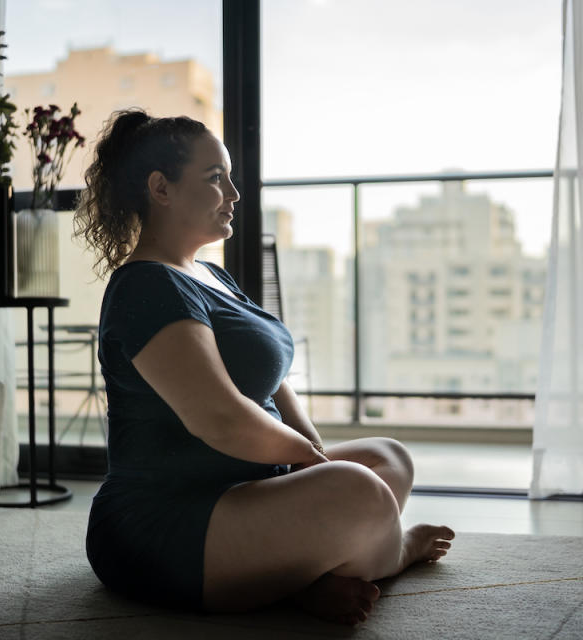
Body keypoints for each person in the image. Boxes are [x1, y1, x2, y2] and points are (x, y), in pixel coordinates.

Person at [75, 108, 454, 626]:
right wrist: (317, 467)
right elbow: (222, 419)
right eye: (215, 179)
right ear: (161, 188)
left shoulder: (211, 275)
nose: (234, 194)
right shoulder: (146, 286)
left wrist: (316, 455)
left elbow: (273, 383)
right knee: (362, 493)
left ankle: (300, 581)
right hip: (165, 524)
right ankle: (395, 550)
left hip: (246, 491)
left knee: (388, 459)